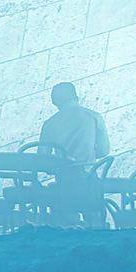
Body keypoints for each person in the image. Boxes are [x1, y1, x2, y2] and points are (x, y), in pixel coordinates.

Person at [29, 76, 109, 224]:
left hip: (64, 183)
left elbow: (43, 159)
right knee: (94, 219)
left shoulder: (50, 124)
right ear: (76, 97)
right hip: (89, 179)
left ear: (54, 101)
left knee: (65, 219)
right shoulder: (93, 117)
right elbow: (104, 151)